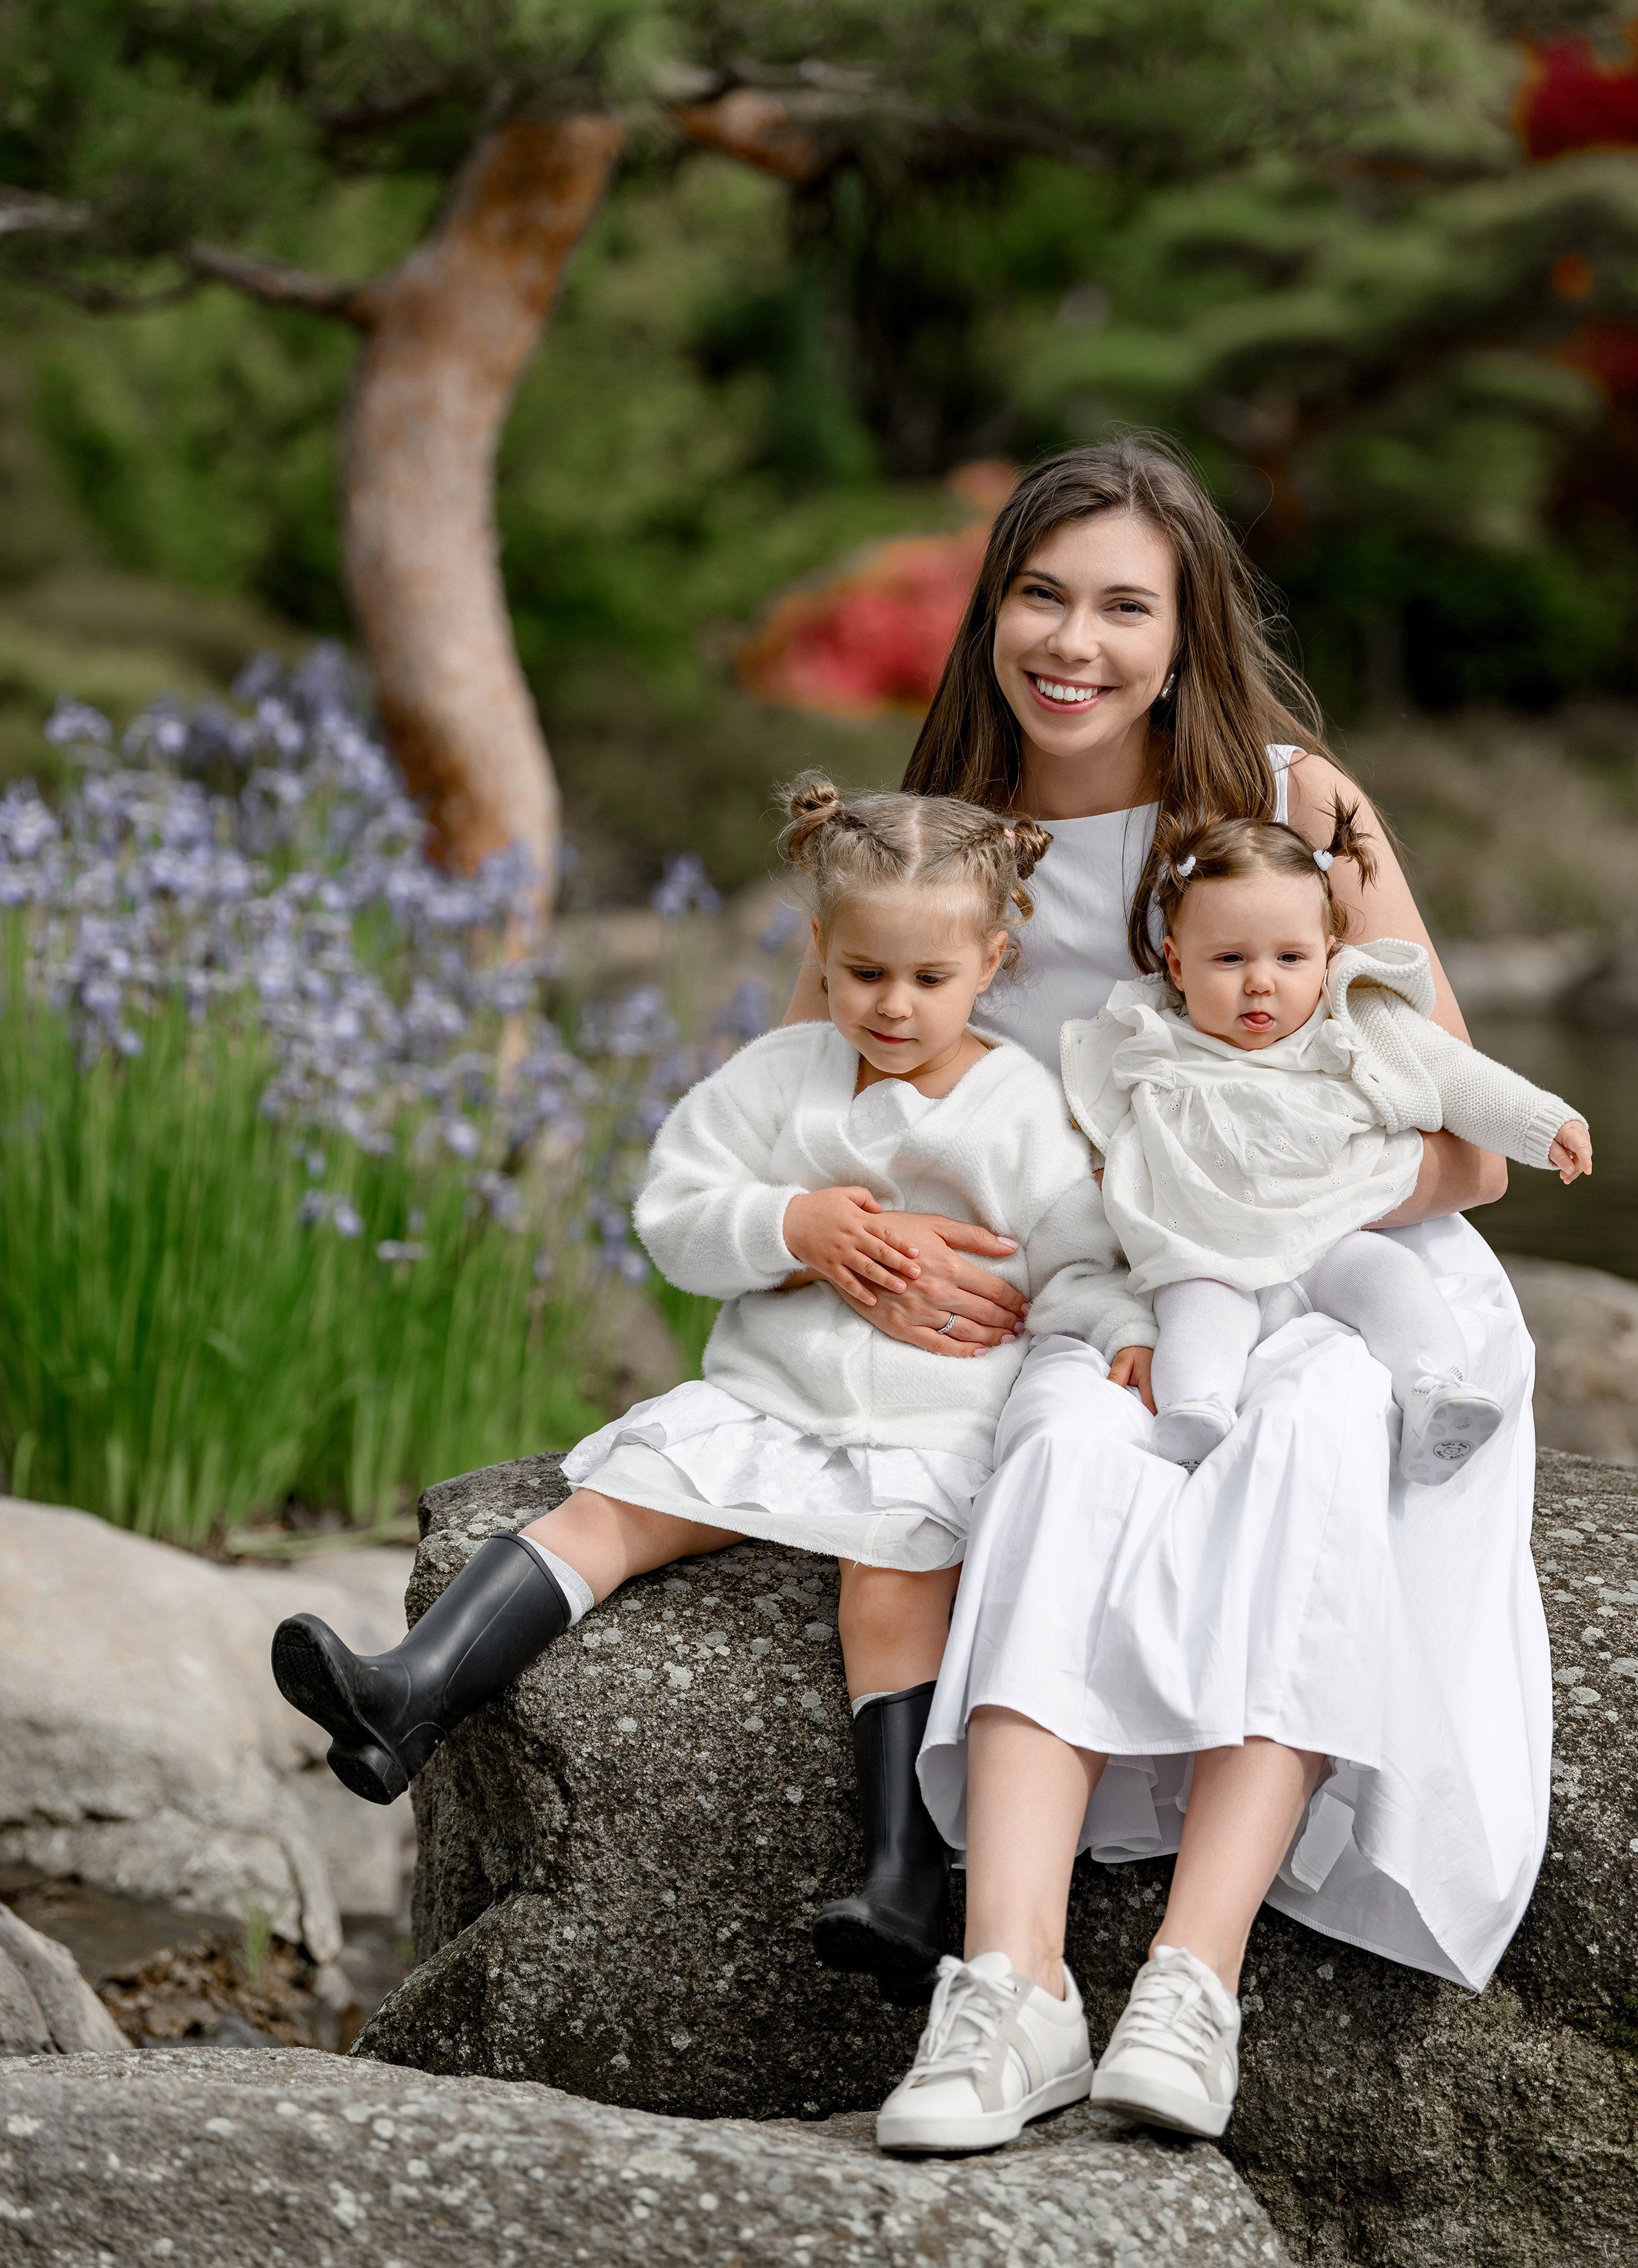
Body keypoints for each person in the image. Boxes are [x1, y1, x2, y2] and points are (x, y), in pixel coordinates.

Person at [767, 437, 1550, 2157]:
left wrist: (1262, 1223)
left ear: (1186, 630)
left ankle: (1189, 1985)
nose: (1075, 640)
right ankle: (1010, 1985)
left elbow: (1463, 1140)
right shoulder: (941, 846)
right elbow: (837, 1102)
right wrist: (827, 1224)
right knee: (1059, 1445)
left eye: (1125, 604)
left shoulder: (1294, 804)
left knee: (1308, 1427)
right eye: (1040, 595)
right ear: (989, 614)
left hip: (1346, 1265)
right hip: (1109, 1285)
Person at [271, 777, 1153, 2006]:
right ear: (820, 954)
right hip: (772, 1398)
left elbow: (1074, 1261)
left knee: (892, 1589)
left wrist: (1120, 1332)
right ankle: (408, 1693)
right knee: (614, 1505)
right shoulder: (778, 1077)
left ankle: (903, 1884)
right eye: (864, 975)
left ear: (993, 963)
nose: (892, 1007)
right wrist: (787, 1223)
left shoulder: (1020, 1112)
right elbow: (676, 1219)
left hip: (929, 1423)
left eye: (928, 980)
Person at [1062, 805, 1591, 1479]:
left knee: (1391, 1277)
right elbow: (1096, 1145)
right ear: (1176, 963)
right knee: (1195, 1308)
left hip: (1333, 1237)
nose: (1261, 980)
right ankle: (1195, 1412)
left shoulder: (1355, 1026)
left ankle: (1435, 1392)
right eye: (1228, 959)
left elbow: (1460, 1078)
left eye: (1290, 958)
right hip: (1209, 1249)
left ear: (1329, 958)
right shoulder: (1148, 1044)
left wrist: (1545, 1126)